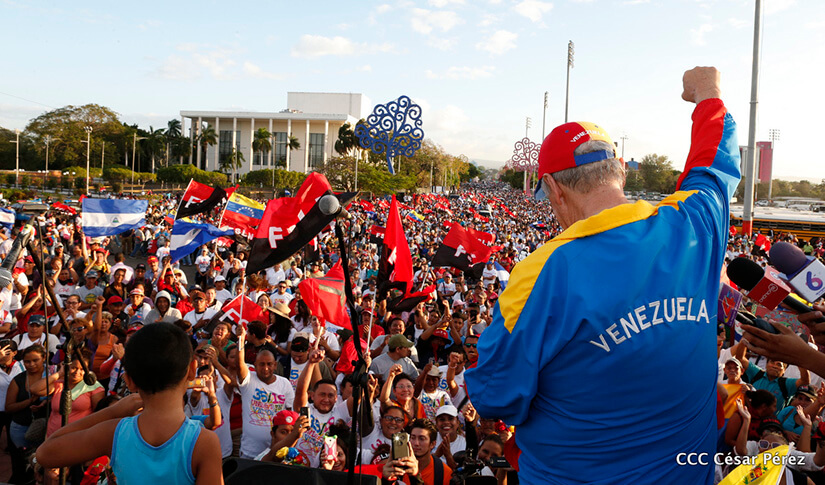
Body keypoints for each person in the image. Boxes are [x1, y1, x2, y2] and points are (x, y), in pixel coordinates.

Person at [465, 67, 741, 483]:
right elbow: (714, 162)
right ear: (622, 173)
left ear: (553, 189)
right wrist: (708, 94)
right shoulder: (695, 223)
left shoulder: (542, 273)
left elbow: (494, 395)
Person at [35, 322, 224, 484]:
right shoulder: (204, 443)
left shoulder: (114, 432)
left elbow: (45, 453)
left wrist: (112, 412)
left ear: (130, 381)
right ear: (192, 370)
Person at [233, 325, 295, 459]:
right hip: (249, 453)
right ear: (255, 365)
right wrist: (240, 340)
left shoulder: (285, 384)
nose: (265, 368)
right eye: (261, 364)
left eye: (269, 364)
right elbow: (239, 365)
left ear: (275, 365)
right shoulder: (249, 380)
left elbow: (292, 414)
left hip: (277, 453)